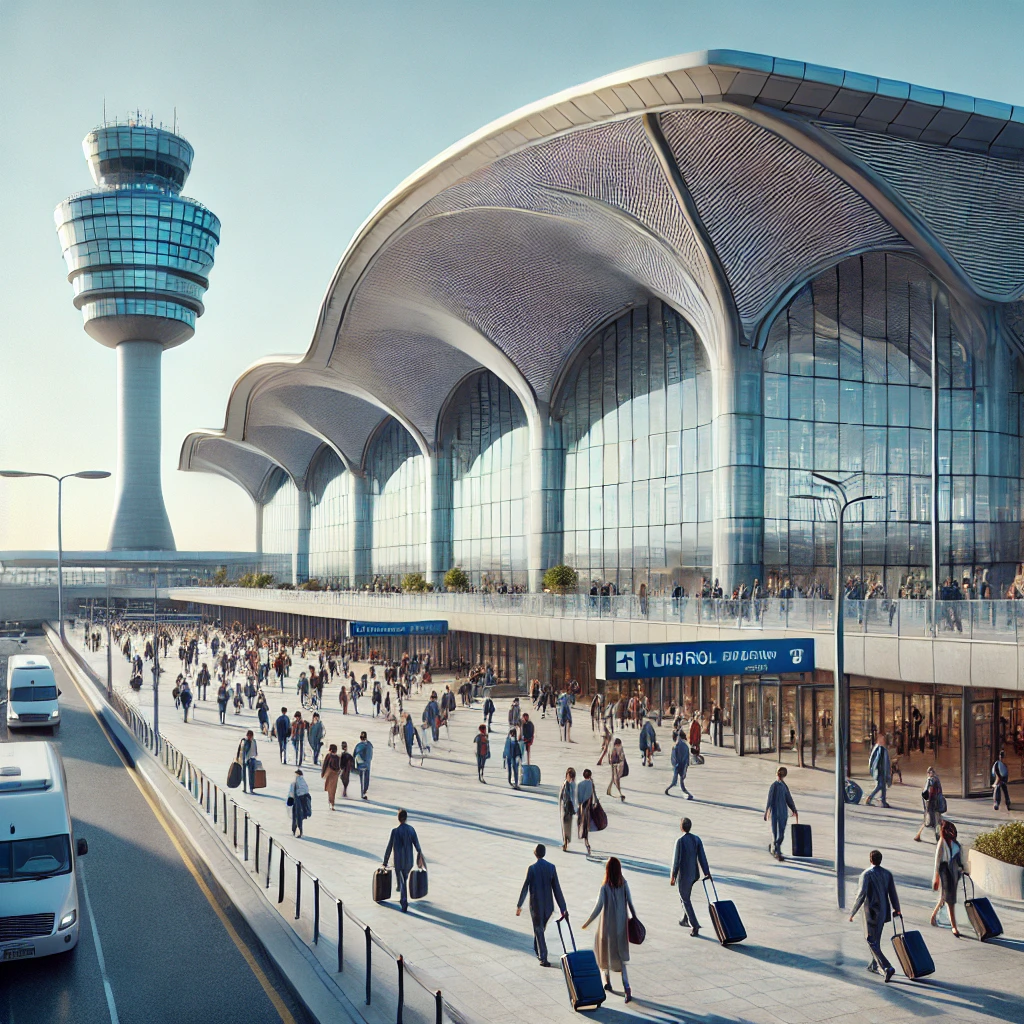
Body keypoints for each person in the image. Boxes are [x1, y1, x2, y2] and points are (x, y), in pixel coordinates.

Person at [581, 857, 636, 1003]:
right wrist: (635, 918)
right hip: (621, 928)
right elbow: (630, 903)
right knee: (621, 958)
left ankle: (607, 981)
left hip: (607, 927)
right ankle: (627, 987)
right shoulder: (624, 884)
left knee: (603, 952)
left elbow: (598, 907)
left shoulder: (605, 887)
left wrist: (587, 922)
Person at [848, 849, 901, 983]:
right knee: (876, 939)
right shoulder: (887, 874)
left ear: (870, 859)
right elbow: (892, 893)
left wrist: (852, 912)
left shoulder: (866, 874)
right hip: (883, 911)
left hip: (870, 911)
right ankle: (873, 965)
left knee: (870, 939)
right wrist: (897, 909)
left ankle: (886, 967)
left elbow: (861, 894)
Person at [515, 844, 567, 967]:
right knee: (541, 929)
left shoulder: (532, 868)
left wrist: (519, 905)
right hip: (548, 905)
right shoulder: (551, 867)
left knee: (538, 929)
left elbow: (525, 887)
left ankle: (543, 958)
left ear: (535, 853)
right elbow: (557, 889)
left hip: (536, 905)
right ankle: (538, 950)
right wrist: (563, 908)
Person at [669, 817, 710, 936]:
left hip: (684, 875)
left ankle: (694, 925)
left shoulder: (680, 841)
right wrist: (707, 872)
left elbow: (676, 861)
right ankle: (684, 919)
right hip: (694, 874)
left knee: (685, 899)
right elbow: (702, 857)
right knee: (685, 896)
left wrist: (673, 875)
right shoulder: (697, 839)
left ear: (681, 827)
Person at [383, 809, 425, 913]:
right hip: (409, 860)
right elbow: (418, 846)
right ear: (406, 818)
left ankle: (404, 900)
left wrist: (385, 861)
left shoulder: (395, 831)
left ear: (398, 818)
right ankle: (402, 894)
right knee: (404, 879)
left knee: (402, 880)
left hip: (398, 860)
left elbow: (389, 847)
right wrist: (420, 857)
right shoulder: (411, 830)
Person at [931, 819, 964, 937]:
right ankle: (954, 926)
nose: (952, 832)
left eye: (953, 830)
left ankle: (933, 916)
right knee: (950, 900)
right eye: (949, 830)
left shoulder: (956, 844)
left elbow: (960, 860)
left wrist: (962, 869)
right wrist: (936, 878)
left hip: (954, 872)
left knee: (944, 897)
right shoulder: (942, 842)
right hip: (944, 870)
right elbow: (937, 861)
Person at [764, 766, 798, 861]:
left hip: (783, 812)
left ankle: (775, 847)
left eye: (782, 774)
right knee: (776, 832)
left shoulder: (784, 786)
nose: (780, 776)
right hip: (775, 812)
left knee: (781, 833)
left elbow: (788, 798)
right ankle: (776, 850)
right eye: (779, 774)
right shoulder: (774, 786)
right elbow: (769, 799)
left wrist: (794, 809)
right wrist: (767, 811)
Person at [914, 766, 944, 842]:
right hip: (937, 802)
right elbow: (940, 791)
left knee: (929, 819)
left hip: (930, 802)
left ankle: (938, 836)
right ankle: (938, 835)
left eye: (928, 772)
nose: (928, 774)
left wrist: (924, 797)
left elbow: (925, 791)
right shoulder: (937, 779)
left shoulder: (930, 780)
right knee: (937, 819)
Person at [665, 730, 693, 798]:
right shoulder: (684, 745)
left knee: (677, 781)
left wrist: (676, 765)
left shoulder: (677, 746)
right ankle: (688, 794)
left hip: (678, 766)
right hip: (682, 765)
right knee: (681, 782)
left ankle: (667, 790)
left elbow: (674, 758)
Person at [866, 735, 891, 808]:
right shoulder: (881, 749)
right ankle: (870, 798)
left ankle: (883, 801)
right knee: (880, 786)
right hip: (881, 771)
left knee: (883, 787)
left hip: (880, 770)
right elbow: (879, 761)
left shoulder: (878, 748)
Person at [287, 769, 312, 838]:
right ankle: (300, 830)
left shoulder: (294, 783)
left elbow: (291, 792)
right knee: (300, 816)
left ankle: (295, 830)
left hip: (296, 801)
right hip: (303, 800)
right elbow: (306, 791)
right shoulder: (304, 782)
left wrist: (290, 799)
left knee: (295, 816)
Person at [577, 768, 596, 855]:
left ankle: (586, 842)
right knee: (587, 826)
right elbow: (592, 796)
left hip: (581, 807)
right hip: (588, 808)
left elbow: (578, 797)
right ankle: (587, 843)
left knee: (583, 825)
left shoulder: (580, 784)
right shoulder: (591, 784)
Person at [559, 768, 577, 852]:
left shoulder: (568, 784)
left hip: (567, 808)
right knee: (567, 826)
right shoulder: (571, 784)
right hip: (570, 808)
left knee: (565, 825)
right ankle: (566, 841)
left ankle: (565, 842)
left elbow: (568, 797)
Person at [237, 729, 259, 794]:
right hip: (247, 760)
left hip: (253, 759)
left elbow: (255, 749)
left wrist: (255, 755)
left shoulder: (254, 741)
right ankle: (244, 788)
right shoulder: (246, 742)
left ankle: (251, 788)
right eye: (248, 736)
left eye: (250, 736)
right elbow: (244, 751)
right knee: (244, 775)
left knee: (252, 775)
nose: (248, 737)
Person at [321, 743, 341, 810]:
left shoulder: (328, 756)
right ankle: (332, 803)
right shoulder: (338, 757)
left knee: (329, 788)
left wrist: (323, 773)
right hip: (335, 775)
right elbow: (339, 767)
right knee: (333, 789)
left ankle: (330, 802)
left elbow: (325, 765)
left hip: (329, 773)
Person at [354, 731, 373, 799]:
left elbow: (355, 755)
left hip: (361, 765)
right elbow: (370, 756)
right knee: (366, 779)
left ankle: (362, 793)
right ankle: (364, 792)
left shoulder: (359, 746)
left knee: (362, 779)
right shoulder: (370, 745)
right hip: (367, 765)